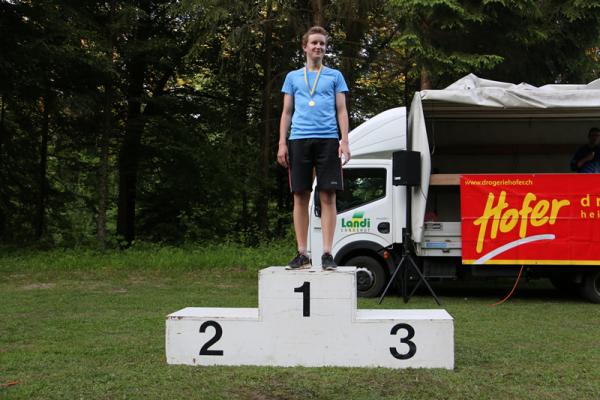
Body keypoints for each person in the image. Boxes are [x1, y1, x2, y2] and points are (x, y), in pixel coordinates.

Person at [277, 26, 351, 271]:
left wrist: (345, 141)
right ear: (305, 47)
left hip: (328, 140)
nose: (318, 47)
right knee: (300, 195)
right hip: (299, 140)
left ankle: (327, 253)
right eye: (314, 43)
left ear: (325, 48)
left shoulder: (335, 76)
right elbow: (286, 112)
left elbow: (342, 110)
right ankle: (302, 253)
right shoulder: (292, 77)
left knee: (328, 196)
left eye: (322, 43)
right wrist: (282, 143)